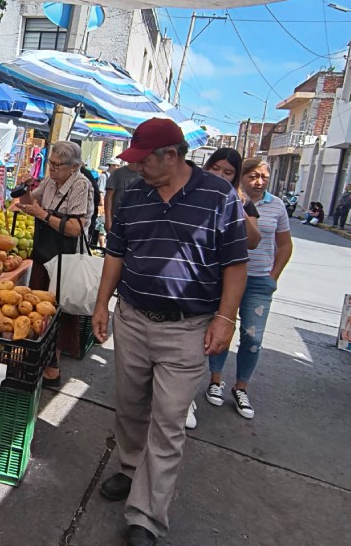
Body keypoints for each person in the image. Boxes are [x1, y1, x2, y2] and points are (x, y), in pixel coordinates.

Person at [93, 118, 248, 546]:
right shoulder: (135, 194)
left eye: (145, 160)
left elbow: (236, 263)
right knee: (129, 406)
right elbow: (116, 253)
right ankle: (129, 470)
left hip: (187, 329)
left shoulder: (218, 197)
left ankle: (146, 514)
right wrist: (101, 304)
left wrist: (225, 319)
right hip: (132, 318)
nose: (137, 168)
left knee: (168, 421)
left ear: (172, 156)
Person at [202, 158, 292, 422]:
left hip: (258, 282)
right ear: (241, 176)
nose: (259, 181)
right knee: (221, 329)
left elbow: (284, 245)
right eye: (253, 175)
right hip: (227, 277)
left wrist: (272, 276)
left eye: (264, 176)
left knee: (253, 338)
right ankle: (215, 380)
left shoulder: (276, 206)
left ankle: (241, 387)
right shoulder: (228, 199)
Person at [16, 140, 93, 385]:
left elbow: (74, 228)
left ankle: (53, 366)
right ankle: (35, 357)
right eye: (50, 163)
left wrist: (43, 215)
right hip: (43, 253)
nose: (52, 169)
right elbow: (30, 205)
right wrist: (25, 190)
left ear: (73, 167)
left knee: (58, 311)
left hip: (64, 259)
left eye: (58, 165)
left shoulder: (81, 185)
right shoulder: (50, 180)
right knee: (36, 305)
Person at [203, 148, 262, 250]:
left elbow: (253, 242)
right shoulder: (190, 194)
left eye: (228, 172)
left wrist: (235, 204)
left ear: (235, 176)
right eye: (215, 168)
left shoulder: (243, 202)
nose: (219, 175)